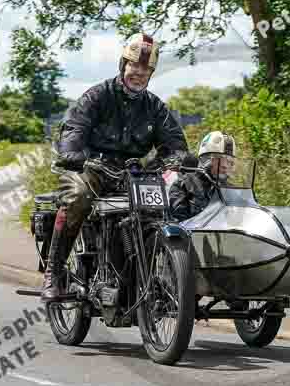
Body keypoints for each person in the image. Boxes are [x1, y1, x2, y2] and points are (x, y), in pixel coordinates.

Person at [41, 33, 189, 302]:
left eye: (145, 69)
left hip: (130, 174)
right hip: (91, 167)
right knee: (78, 197)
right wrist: (72, 152)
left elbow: (175, 143)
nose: (139, 73)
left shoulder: (154, 107)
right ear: (124, 65)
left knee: (163, 208)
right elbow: (75, 126)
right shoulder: (98, 95)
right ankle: (54, 272)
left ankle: (142, 276)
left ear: (151, 73)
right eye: (134, 66)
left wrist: (171, 161)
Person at [169, 131, 237, 221]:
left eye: (229, 161)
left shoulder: (232, 190)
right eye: (219, 158)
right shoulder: (184, 184)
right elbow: (180, 221)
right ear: (206, 159)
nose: (225, 165)